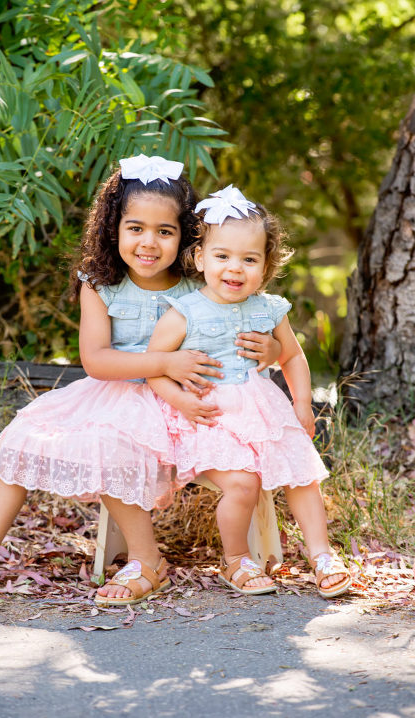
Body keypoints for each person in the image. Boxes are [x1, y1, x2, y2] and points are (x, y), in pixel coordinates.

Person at [0, 158, 281, 599]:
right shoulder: (99, 284)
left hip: (184, 404)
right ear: (112, 228)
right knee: (23, 434)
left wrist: (270, 349)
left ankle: (146, 561)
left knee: (110, 443)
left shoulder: (203, 282)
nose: (149, 243)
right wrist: (164, 362)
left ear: (188, 237)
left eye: (165, 231)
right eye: (135, 228)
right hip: (116, 391)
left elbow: (253, 327)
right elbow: (96, 360)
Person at [147, 185, 351, 599]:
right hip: (208, 416)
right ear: (201, 258)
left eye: (249, 259)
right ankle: (237, 559)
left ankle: (322, 556)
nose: (234, 269)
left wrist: (301, 404)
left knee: (303, 475)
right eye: (222, 256)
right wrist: (181, 400)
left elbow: (292, 357)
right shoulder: (185, 311)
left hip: (262, 410)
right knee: (243, 483)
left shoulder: (268, 309)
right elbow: (154, 368)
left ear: (265, 266)